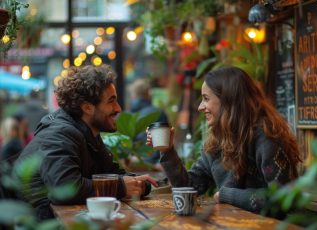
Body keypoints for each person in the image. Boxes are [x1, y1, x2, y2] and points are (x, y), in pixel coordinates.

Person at [146, 66, 301, 213]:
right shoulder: (218, 140)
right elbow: (189, 187)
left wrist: (227, 195)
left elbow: (284, 199)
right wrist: (167, 151)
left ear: (228, 100)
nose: (200, 107)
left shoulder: (267, 137)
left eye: (206, 99)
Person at [15, 65, 157, 221]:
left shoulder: (87, 133)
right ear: (88, 107)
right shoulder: (58, 134)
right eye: (111, 101)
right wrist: (122, 187)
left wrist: (138, 183)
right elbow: (65, 188)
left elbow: (110, 171)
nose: (118, 108)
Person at [128, 78, 169, 167]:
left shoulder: (125, 116)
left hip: (131, 164)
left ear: (133, 95)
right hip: (152, 164)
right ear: (148, 93)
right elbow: (163, 143)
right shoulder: (157, 112)